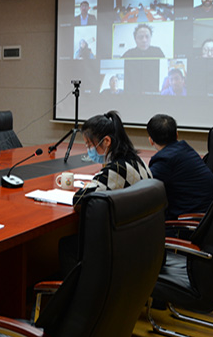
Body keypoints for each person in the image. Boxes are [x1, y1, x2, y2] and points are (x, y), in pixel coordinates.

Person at [60, 111, 153, 275]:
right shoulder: (137, 161)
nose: (88, 150)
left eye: (89, 145)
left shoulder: (117, 169)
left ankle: (82, 291)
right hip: (144, 242)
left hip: (124, 247)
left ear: (107, 141)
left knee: (68, 244)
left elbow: (79, 200)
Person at [146, 114, 213, 220]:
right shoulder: (185, 149)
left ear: (151, 140)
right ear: (177, 135)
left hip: (189, 221)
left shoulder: (164, 160)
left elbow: (144, 189)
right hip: (208, 218)